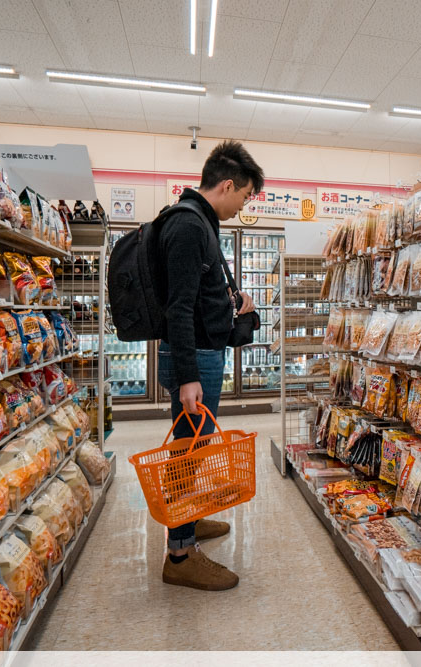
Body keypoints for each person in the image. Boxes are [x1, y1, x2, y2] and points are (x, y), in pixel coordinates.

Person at [156, 140, 264, 591]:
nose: (243, 206)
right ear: (225, 185)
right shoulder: (188, 226)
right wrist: (188, 379)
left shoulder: (196, 221)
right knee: (187, 453)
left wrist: (230, 303)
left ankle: (190, 522)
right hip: (193, 360)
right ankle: (179, 555)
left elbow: (195, 298)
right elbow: (178, 309)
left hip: (199, 353)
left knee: (193, 451)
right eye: (244, 196)